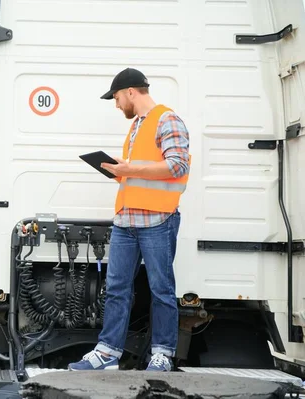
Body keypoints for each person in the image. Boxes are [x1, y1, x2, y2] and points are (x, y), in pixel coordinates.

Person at [68, 68, 190, 372]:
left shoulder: (168, 120)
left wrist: (131, 169)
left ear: (131, 92)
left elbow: (176, 166)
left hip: (157, 221)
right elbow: (138, 172)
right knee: (116, 288)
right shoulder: (137, 126)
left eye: (117, 97)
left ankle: (162, 353)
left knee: (161, 289)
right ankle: (107, 351)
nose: (116, 103)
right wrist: (119, 172)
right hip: (126, 221)